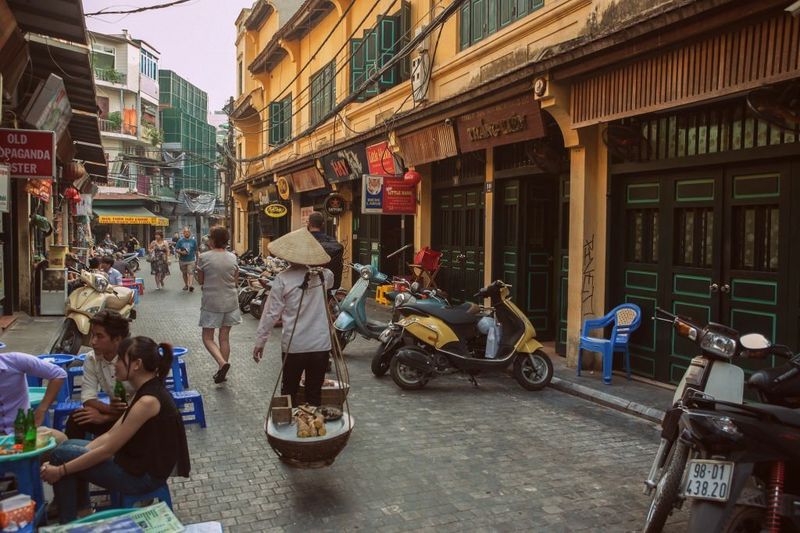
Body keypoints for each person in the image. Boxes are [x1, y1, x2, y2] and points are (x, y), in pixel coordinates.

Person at [41, 337, 191, 524]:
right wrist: (78, 454)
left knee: (61, 455)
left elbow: (108, 449)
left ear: (136, 364)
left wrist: (61, 471)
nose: (115, 365)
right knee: (68, 449)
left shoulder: (148, 401)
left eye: (120, 359)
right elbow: (112, 433)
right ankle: (81, 514)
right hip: (135, 465)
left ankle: (70, 521)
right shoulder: (144, 391)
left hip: (143, 477)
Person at [253, 228, 333, 407]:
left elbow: (271, 313)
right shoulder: (324, 276)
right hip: (320, 345)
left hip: (294, 346)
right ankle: (312, 427)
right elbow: (330, 278)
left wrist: (260, 341)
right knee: (314, 393)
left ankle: (290, 430)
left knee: (289, 392)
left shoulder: (283, 279)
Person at [65, 311, 133, 440]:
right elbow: (88, 398)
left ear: (117, 339)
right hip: (116, 414)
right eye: (92, 335)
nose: (92, 342)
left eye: (99, 336)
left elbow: (143, 408)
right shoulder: (92, 358)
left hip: (140, 421)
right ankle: (73, 455)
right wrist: (108, 409)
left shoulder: (134, 358)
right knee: (78, 417)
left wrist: (104, 417)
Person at [196, 226, 240, 383]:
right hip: (231, 300)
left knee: (208, 337)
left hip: (212, 301)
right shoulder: (232, 257)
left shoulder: (204, 257)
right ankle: (222, 372)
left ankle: (222, 363)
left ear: (212, 240)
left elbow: (200, 281)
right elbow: (235, 279)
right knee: (224, 337)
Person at [0, 353, 66, 434]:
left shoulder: (15, 361)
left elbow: (58, 374)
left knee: (61, 438)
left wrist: (42, 409)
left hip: (24, 430)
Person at [307, 211, 344, 289]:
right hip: (328, 286)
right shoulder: (334, 243)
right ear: (323, 224)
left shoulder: (302, 241)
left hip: (306, 285)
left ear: (308, 223)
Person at [176, 227, 198, 292]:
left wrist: (197, 259)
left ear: (190, 233)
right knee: (184, 273)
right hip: (182, 260)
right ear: (183, 233)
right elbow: (176, 249)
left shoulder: (193, 241)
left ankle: (190, 285)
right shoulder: (180, 241)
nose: (187, 233)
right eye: (185, 232)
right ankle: (186, 285)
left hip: (191, 259)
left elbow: (196, 250)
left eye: (188, 232)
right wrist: (181, 252)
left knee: (191, 272)